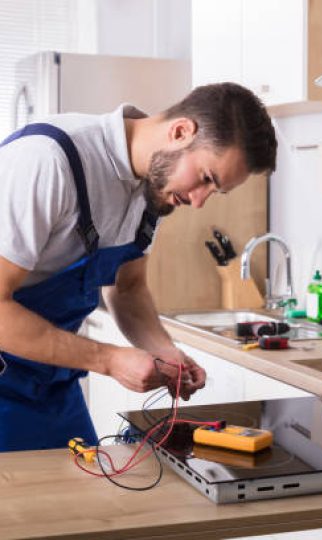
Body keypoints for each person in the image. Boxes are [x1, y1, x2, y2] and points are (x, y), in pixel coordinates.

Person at [0, 82, 277, 452]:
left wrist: (165, 352)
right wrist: (109, 360)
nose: (198, 201)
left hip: (49, 385)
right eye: (206, 179)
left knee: (90, 499)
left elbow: (128, 289)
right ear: (180, 132)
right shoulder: (48, 161)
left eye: (214, 191)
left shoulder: (152, 189)